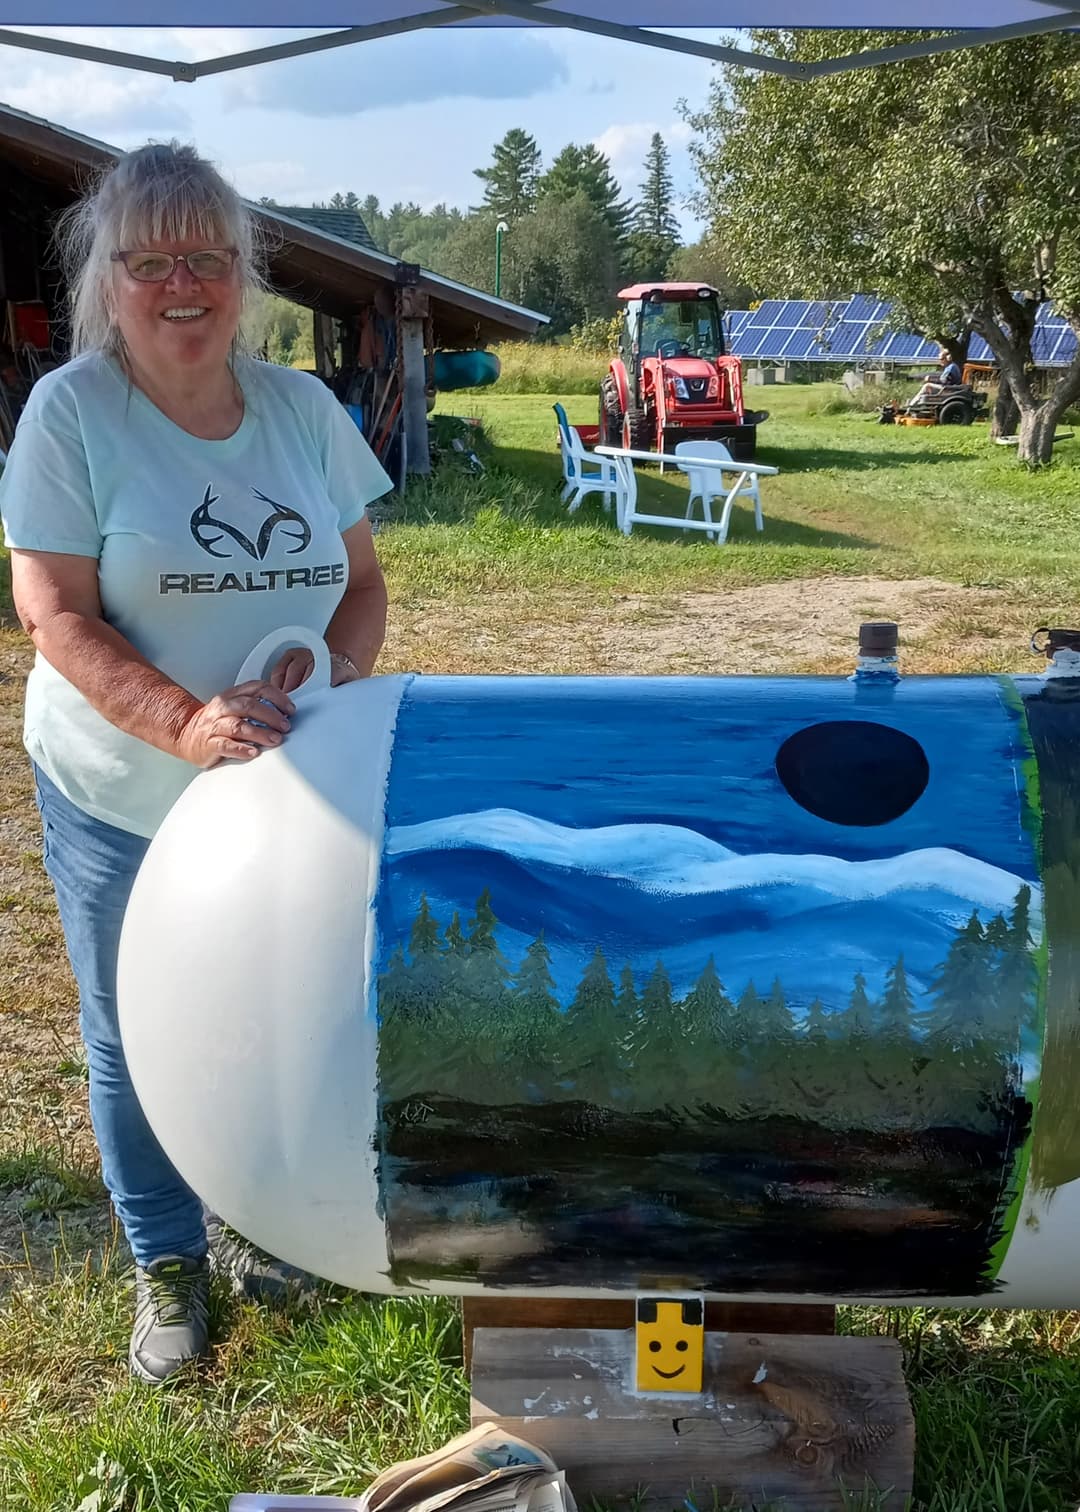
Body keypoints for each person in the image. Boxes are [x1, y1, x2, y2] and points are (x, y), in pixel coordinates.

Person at [0, 142, 392, 1384]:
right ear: (104, 281)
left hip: (280, 784)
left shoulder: (303, 413)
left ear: (244, 274)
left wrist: (313, 686)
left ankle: (263, 1223)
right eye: (150, 259)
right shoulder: (71, 413)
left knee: (268, 1004)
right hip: (124, 787)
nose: (184, 283)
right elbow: (54, 614)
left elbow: (365, 586)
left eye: (209, 257)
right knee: (132, 1026)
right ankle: (166, 1259)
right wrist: (180, 725)